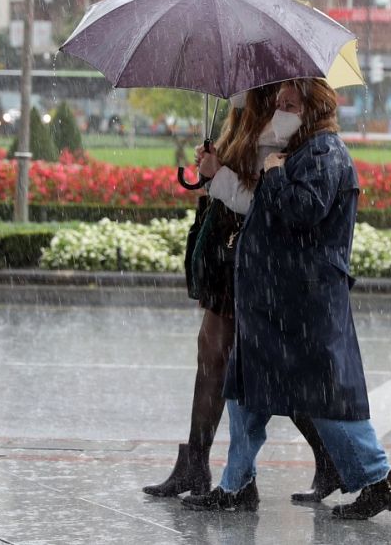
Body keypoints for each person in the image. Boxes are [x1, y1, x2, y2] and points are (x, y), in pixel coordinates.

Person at [183, 78, 391, 520]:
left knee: (327, 402)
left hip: (302, 303)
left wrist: (275, 174)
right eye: (279, 102)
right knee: (244, 393)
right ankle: (236, 485)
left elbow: (302, 212)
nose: (278, 109)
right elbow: (264, 211)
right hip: (274, 302)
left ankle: (381, 481)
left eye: (289, 104)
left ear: (313, 109)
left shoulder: (324, 153)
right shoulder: (299, 153)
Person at [141, 83, 342, 502]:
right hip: (227, 256)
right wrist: (213, 166)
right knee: (214, 356)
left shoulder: (279, 126)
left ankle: (322, 460)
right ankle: (199, 462)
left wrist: (221, 176)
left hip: (251, 259)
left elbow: (261, 201)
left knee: (265, 370)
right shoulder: (240, 119)